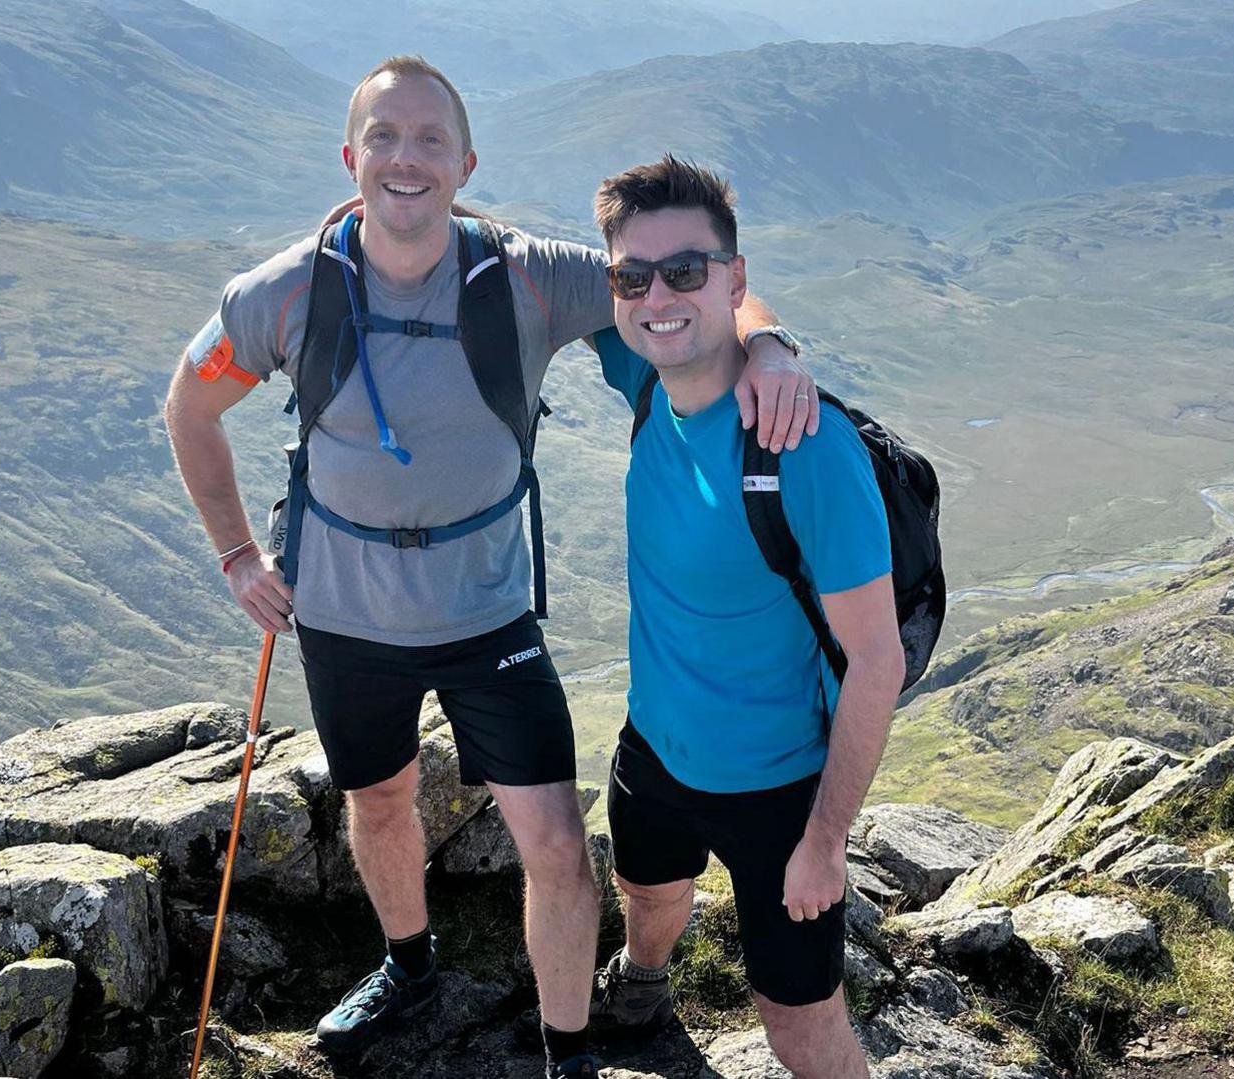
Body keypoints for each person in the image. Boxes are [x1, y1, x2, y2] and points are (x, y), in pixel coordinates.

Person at [161, 58, 817, 1079]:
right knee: (377, 800)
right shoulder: (285, 291)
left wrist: (767, 343)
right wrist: (240, 555)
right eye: (384, 137)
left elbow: (681, 273)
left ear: (465, 163)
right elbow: (189, 405)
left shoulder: (524, 273)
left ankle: (567, 1050)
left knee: (554, 836)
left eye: (429, 139)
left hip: (488, 612)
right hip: (344, 609)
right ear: (350, 157)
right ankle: (407, 964)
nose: (405, 158)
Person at [585, 157, 903, 1079]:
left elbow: (875, 660)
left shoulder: (803, 445)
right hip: (655, 745)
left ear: (735, 277)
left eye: (687, 270)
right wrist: (374, 202)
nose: (657, 296)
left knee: (798, 1025)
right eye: (632, 276)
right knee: (645, 889)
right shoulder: (642, 372)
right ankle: (642, 982)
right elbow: (474, 235)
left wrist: (824, 844)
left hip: (777, 790)